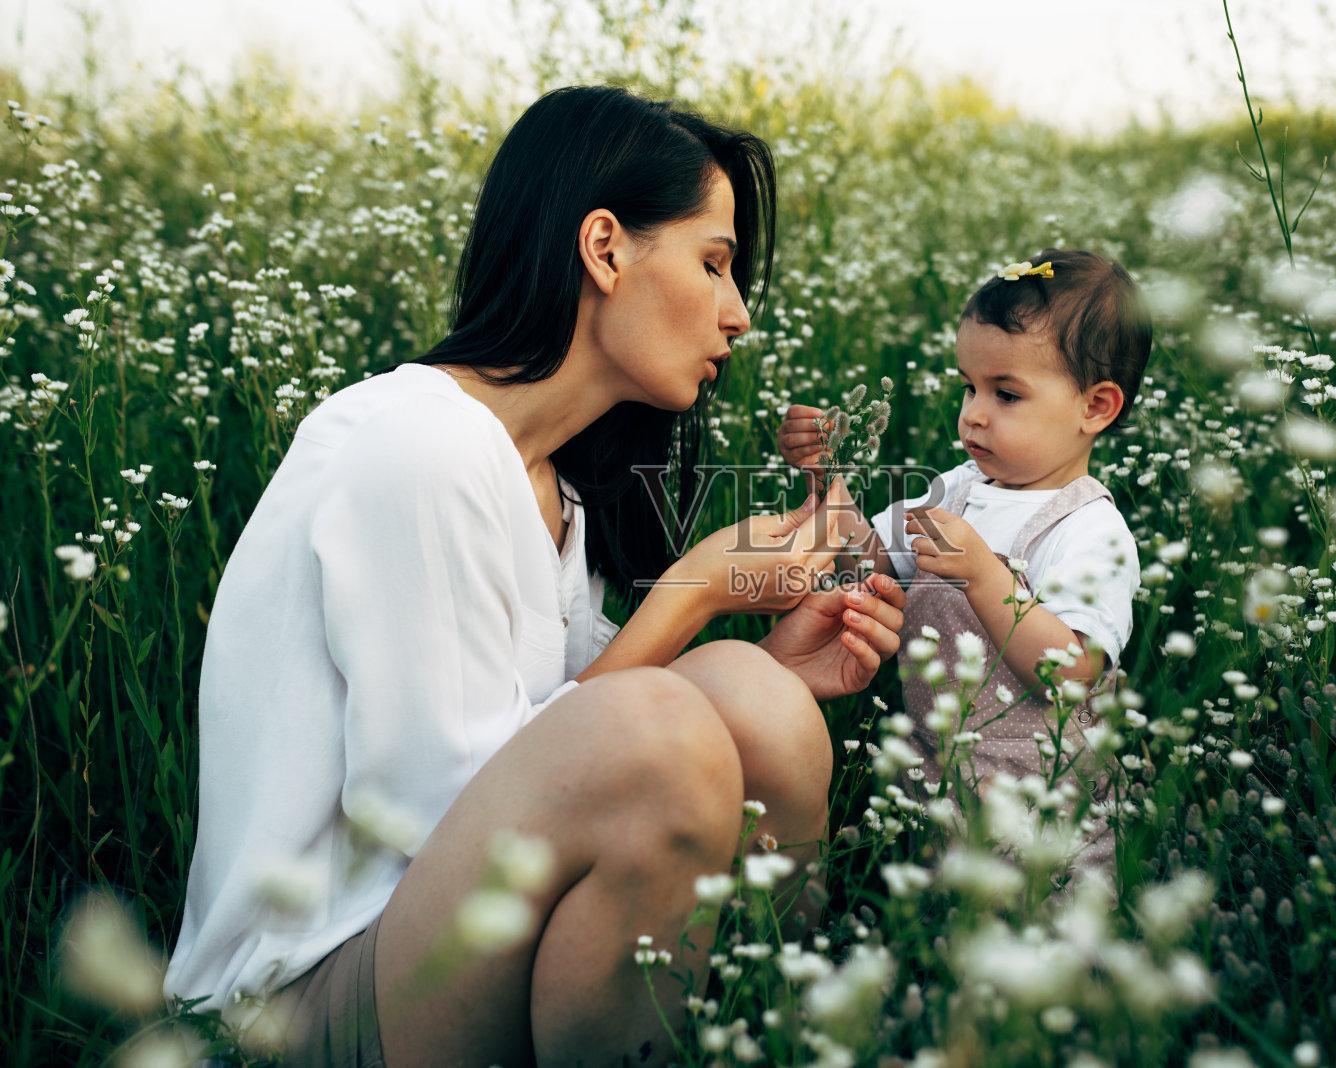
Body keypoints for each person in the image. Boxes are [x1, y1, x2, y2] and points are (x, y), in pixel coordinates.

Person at [162, 86, 907, 1068]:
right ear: (605, 249)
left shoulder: (555, 486)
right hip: (300, 997)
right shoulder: (417, 445)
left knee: (754, 700)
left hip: (435, 940)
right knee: (662, 731)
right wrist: (693, 591)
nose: (736, 317)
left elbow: (552, 752)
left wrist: (773, 656)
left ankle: (787, 1023)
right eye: (714, 264)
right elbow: (460, 809)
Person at [778, 249, 1148, 834]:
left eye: (1005, 394)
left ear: (1094, 406)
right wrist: (830, 481)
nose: (972, 415)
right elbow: (862, 564)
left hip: (1042, 799)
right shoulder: (956, 490)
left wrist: (985, 577)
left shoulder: (1089, 530)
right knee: (928, 914)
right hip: (934, 770)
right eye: (967, 388)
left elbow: (1073, 674)